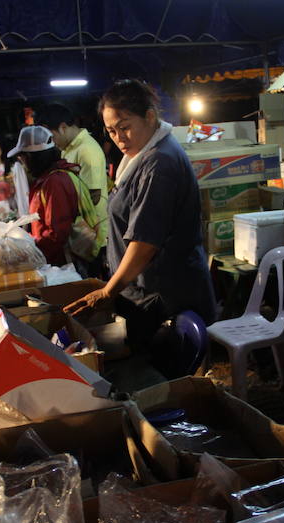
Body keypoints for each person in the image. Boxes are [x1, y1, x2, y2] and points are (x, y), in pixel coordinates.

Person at [64, 79, 216, 355]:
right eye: (111, 131)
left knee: (159, 374)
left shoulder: (159, 163)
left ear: (149, 116)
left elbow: (145, 243)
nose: (119, 138)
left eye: (125, 127)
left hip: (163, 295)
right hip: (145, 291)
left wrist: (108, 292)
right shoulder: (140, 156)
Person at [35, 103, 109, 277]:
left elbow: (94, 197)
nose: (50, 142)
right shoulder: (70, 148)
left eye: (50, 136)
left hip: (93, 238)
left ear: (62, 127)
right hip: (82, 238)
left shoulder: (86, 150)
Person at [7, 125, 92, 266]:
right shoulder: (46, 180)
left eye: (22, 158)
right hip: (52, 260)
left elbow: (57, 234)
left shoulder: (55, 182)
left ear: (31, 157)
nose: (22, 163)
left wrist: (29, 250)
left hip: (62, 264)